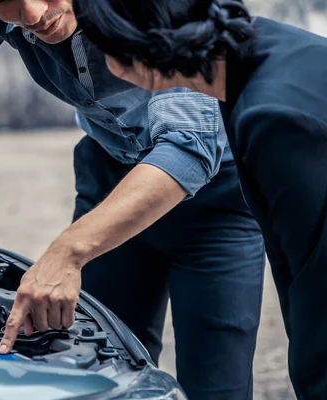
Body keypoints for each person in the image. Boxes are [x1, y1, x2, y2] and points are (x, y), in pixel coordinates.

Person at [0, 1, 265, 397]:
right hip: (111, 177)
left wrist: (67, 251)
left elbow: (189, 144)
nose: (33, 15)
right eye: (6, 1)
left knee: (217, 385)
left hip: (218, 200)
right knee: (98, 371)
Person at [72, 0, 327, 398]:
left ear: (129, 56)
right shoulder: (261, 50)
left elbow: (317, 287)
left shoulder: (272, 118)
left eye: (100, 47)